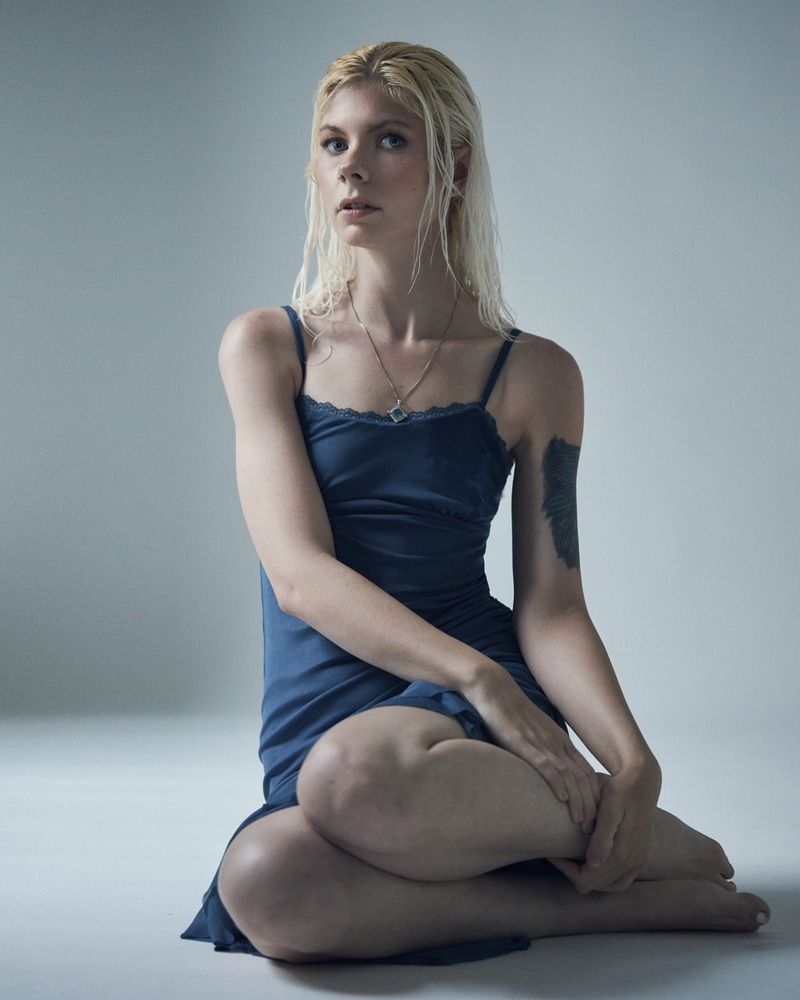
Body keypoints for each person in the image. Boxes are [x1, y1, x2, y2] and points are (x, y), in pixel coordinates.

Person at [182, 41, 769, 964]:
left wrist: (633, 762)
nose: (352, 167)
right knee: (263, 881)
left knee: (355, 776)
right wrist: (476, 677)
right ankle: (600, 902)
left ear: (453, 168)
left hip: (463, 710)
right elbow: (299, 575)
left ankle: (638, 829)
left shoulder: (534, 373)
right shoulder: (268, 346)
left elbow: (553, 607)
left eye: (389, 139)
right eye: (334, 143)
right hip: (355, 692)